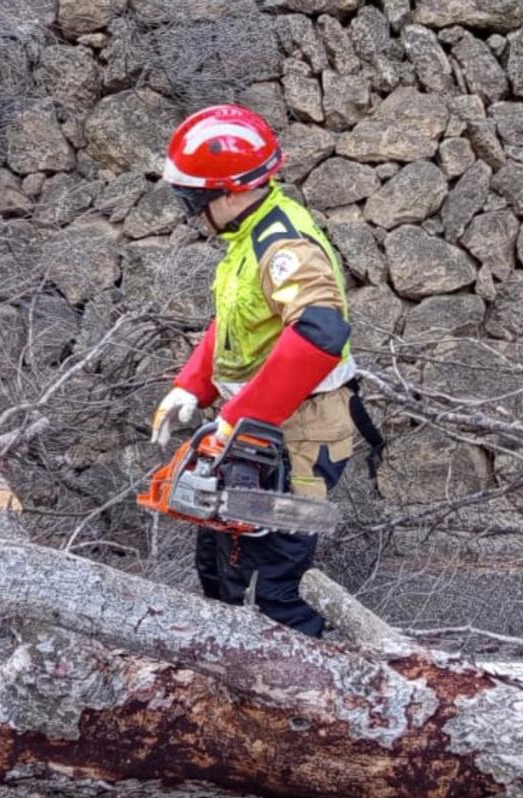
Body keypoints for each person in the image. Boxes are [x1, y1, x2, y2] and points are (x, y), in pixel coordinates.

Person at [149, 103, 372, 638]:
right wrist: (191, 384)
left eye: (193, 199)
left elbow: (320, 330)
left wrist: (242, 416)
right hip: (260, 422)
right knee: (223, 560)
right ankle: (230, 672)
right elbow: (234, 319)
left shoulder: (283, 246)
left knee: (275, 584)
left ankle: (300, 697)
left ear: (229, 191)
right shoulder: (246, 237)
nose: (189, 210)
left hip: (299, 426)